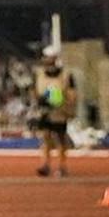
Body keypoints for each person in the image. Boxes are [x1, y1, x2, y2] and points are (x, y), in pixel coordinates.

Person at [32, 45, 77, 177]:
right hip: (44, 111)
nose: (47, 60)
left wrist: (62, 103)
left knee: (60, 139)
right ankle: (45, 164)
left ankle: (62, 166)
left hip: (59, 111)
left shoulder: (65, 75)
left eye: (50, 57)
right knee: (45, 137)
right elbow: (34, 90)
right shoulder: (39, 74)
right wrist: (39, 100)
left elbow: (71, 94)